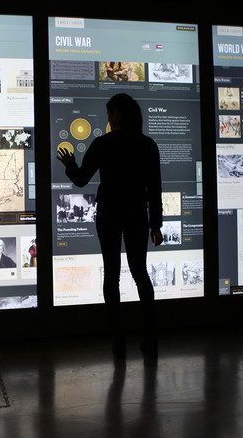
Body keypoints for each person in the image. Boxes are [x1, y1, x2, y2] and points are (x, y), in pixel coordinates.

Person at [56, 93, 164, 360]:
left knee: (111, 276)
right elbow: (155, 188)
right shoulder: (147, 145)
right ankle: (150, 337)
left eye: (109, 113)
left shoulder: (103, 143)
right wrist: (156, 224)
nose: (109, 118)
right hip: (137, 215)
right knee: (141, 274)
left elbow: (81, 180)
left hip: (109, 215)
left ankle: (118, 339)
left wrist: (70, 164)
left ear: (116, 115)